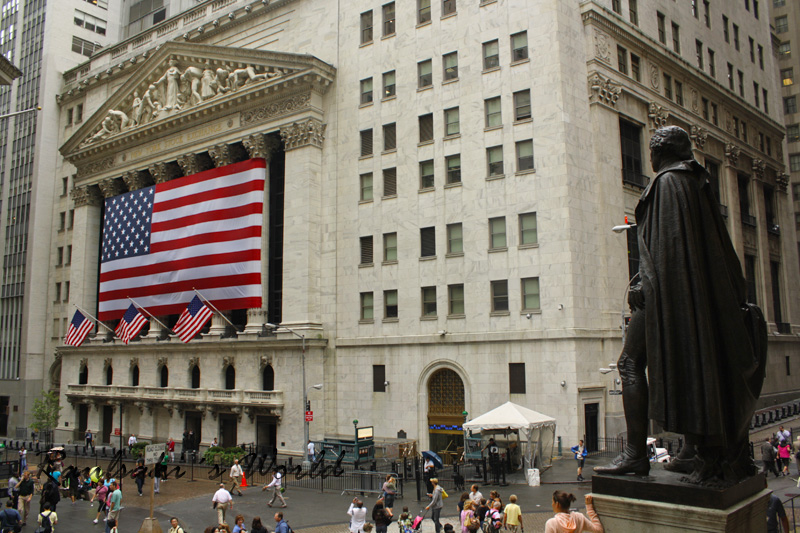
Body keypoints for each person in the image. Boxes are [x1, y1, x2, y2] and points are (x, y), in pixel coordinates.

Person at [595, 125, 767, 484]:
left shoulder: (668, 183)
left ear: (659, 153)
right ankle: (690, 450)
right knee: (692, 360)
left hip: (665, 295)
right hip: (688, 297)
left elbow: (664, 247)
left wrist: (642, 281)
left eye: (652, 151)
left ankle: (635, 456)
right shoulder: (696, 183)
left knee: (629, 362)